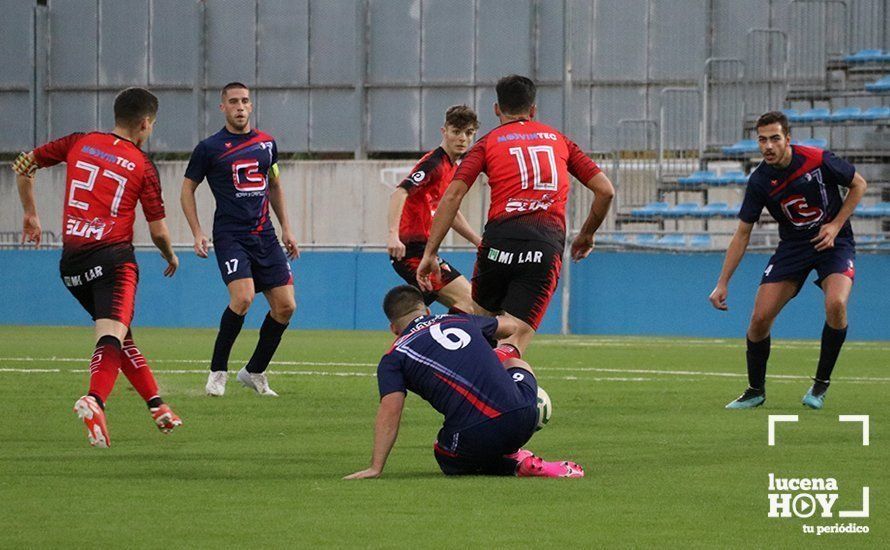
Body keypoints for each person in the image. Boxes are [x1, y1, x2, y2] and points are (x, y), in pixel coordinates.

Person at [13, 87, 182, 448]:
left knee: (120, 336)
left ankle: (157, 405)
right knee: (110, 338)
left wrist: (30, 213)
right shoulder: (142, 166)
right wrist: (170, 255)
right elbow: (158, 230)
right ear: (145, 123)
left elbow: (24, 164)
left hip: (72, 265)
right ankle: (94, 400)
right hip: (114, 261)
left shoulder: (81, 141)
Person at [416, 75, 614, 357]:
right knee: (512, 343)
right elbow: (605, 191)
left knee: (484, 331)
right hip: (543, 245)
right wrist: (586, 234)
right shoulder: (559, 140)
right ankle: (503, 375)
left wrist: (430, 253)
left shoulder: (486, 143)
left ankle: (449, 333)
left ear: (497, 109)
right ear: (533, 110)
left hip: (498, 242)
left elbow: (451, 196)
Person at [709, 111, 867, 410]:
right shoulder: (759, 181)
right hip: (793, 247)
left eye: (774, 139)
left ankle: (820, 384)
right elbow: (742, 234)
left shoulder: (817, 159)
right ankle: (756, 390)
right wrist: (722, 282)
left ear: (788, 139)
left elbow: (859, 184)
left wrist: (835, 225)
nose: (768, 146)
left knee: (836, 304)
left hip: (834, 243)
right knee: (759, 319)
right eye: (762, 140)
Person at [344, 285, 584, 479]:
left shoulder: (393, 357)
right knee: (514, 361)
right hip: (525, 414)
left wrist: (376, 467)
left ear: (394, 329)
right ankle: (516, 452)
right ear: (427, 311)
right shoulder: (460, 321)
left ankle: (515, 465)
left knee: (445, 454)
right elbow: (511, 327)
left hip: (477, 434)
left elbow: (391, 410)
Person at [181, 82, 299, 398]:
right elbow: (186, 189)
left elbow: (274, 185)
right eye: (233, 101)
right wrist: (197, 232)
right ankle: (218, 372)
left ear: (251, 105)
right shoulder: (209, 148)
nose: (240, 106)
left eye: (245, 101)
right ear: (223, 107)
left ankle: (254, 371)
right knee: (244, 298)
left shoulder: (267, 144)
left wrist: (287, 228)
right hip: (231, 235)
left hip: (266, 235)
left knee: (286, 307)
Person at [387, 105, 481, 313]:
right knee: (471, 305)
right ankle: (443, 343)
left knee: (418, 315)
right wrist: (393, 234)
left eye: (468, 133)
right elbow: (400, 192)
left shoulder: (452, 167)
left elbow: (450, 212)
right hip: (411, 251)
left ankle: (422, 340)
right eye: (456, 132)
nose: (462, 138)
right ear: (444, 131)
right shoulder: (434, 163)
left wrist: (478, 241)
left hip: (425, 250)